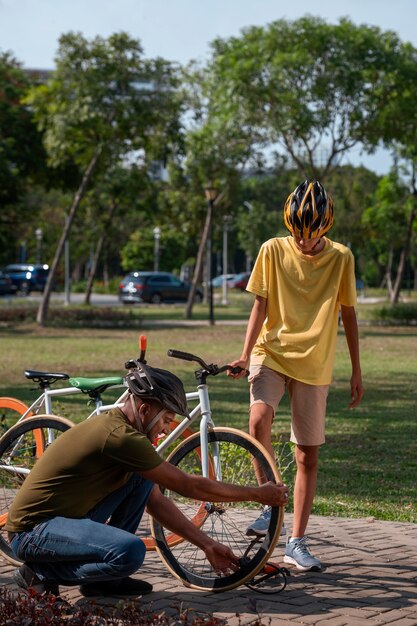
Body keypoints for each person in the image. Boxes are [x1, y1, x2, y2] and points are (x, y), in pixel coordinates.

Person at [5, 362, 289, 597]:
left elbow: (155, 501)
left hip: (63, 520)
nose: (166, 430)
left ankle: (104, 583)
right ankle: (37, 573)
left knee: (140, 482)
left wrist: (207, 545)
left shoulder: (125, 433)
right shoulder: (119, 437)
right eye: (166, 419)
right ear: (144, 410)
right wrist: (256, 493)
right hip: (32, 532)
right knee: (129, 552)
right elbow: (189, 485)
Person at [228, 180, 364, 572]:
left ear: (325, 228)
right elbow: (260, 305)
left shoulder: (341, 258)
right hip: (270, 351)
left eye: (312, 236)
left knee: (307, 455)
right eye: (297, 235)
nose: (303, 243)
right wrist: (243, 353)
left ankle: (297, 542)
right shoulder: (272, 249)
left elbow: (348, 314)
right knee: (258, 420)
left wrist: (356, 370)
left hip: (314, 362)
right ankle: (270, 506)